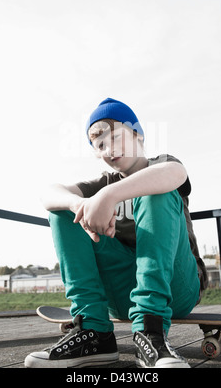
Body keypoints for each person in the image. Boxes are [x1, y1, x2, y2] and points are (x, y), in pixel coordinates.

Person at [25, 98, 207, 369]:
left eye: (116, 137)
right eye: (100, 146)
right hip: (122, 292)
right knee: (62, 209)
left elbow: (175, 173)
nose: (109, 150)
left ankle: (150, 331)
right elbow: (47, 193)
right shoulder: (101, 182)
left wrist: (108, 195)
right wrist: (80, 204)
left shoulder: (163, 164)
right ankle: (94, 332)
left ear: (138, 134)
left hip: (176, 287)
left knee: (155, 189)